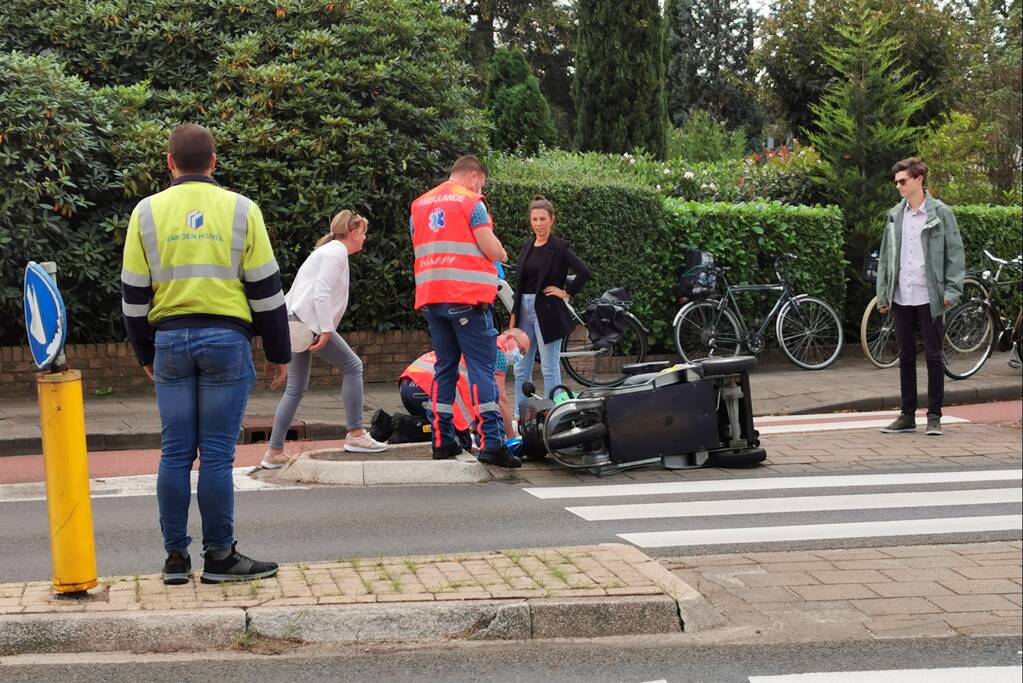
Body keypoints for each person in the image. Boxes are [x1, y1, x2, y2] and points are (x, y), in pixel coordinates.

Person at [121, 124, 289, 585]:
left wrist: (144, 352)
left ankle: (176, 559)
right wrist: (279, 352)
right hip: (226, 341)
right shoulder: (242, 210)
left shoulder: (146, 213)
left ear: (169, 162)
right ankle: (220, 557)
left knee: (174, 454)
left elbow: (133, 295)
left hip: (170, 343)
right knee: (215, 455)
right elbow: (266, 291)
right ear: (214, 162)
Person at [410, 155, 519, 467]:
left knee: (444, 368)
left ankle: (442, 440)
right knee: (482, 369)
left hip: (432, 298)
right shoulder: (472, 202)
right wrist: (501, 252)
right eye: (482, 181)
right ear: (474, 175)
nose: (481, 186)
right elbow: (489, 247)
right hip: (467, 301)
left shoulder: (419, 205)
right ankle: (492, 443)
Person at [262, 210, 387, 469]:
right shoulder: (336, 252)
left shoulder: (327, 250)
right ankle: (356, 434)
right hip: (309, 324)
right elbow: (320, 293)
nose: (365, 237)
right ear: (353, 233)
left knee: (294, 390)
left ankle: (274, 452)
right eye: (363, 232)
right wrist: (327, 329)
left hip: (293, 323)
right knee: (353, 366)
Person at [876, 157, 965, 436]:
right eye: (896, 182)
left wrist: (952, 291)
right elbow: (885, 259)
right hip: (902, 295)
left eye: (903, 181)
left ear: (919, 180)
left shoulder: (941, 213)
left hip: (930, 296)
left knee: (934, 356)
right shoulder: (895, 215)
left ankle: (935, 416)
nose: (898, 186)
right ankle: (907, 415)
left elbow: (955, 254)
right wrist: (883, 295)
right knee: (905, 357)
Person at [509, 196, 591, 409]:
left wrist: (566, 293)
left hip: (548, 312)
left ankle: (552, 414)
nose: (538, 223)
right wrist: (514, 316)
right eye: (534, 219)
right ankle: (522, 416)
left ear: (552, 220)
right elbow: (520, 284)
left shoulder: (559, 247)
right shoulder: (527, 246)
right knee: (521, 368)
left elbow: (584, 272)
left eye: (542, 219)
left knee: (549, 367)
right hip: (524, 312)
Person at [399, 328, 530, 453]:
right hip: (425, 388)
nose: (520, 356)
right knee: (465, 442)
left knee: (443, 429)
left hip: (410, 385)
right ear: (509, 339)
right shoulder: (497, 353)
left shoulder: (481, 342)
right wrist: (511, 438)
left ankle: (393, 425)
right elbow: (501, 400)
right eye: (521, 350)